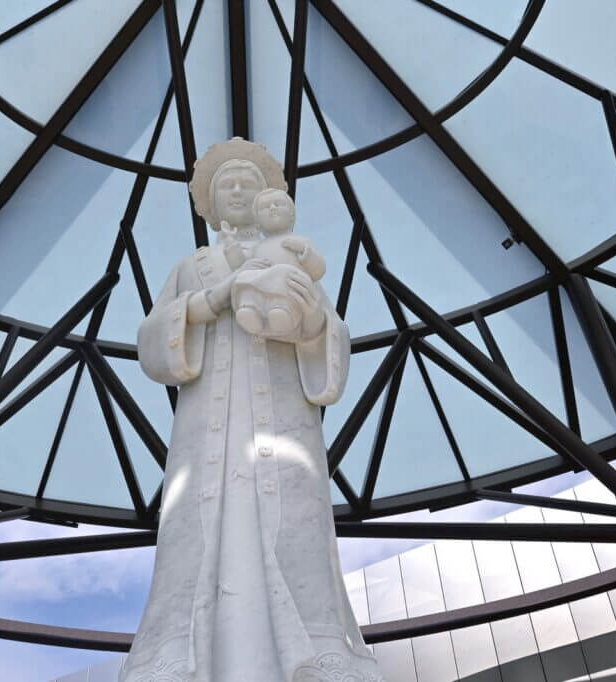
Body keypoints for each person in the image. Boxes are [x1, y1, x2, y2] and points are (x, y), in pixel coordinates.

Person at [123, 139, 383, 682]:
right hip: (206, 433)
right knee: (199, 532)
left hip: (282, 425)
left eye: (247, 183)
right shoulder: (190, 266)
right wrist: (214, 300)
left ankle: (312, 656)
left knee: (292, 530)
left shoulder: (290, 254)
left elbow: (333, 337)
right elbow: (151, 341)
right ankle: (181, 659)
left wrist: (311, 324)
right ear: (211, 204)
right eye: (227, 185)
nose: (238, 191)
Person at [225, 188, 328, 339]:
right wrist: (231, 244)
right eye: (265, 207)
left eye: (278, 204)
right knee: (244, 278)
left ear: (292, 214)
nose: (272, 208)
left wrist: (305, 252)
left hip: (287, 284)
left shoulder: (301, 241)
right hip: (260, 283)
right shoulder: (258, 247)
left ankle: (282, 313)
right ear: (258, 223)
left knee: (282, 278)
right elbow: (240, 266)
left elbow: (318, 270)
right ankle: (250, 310)